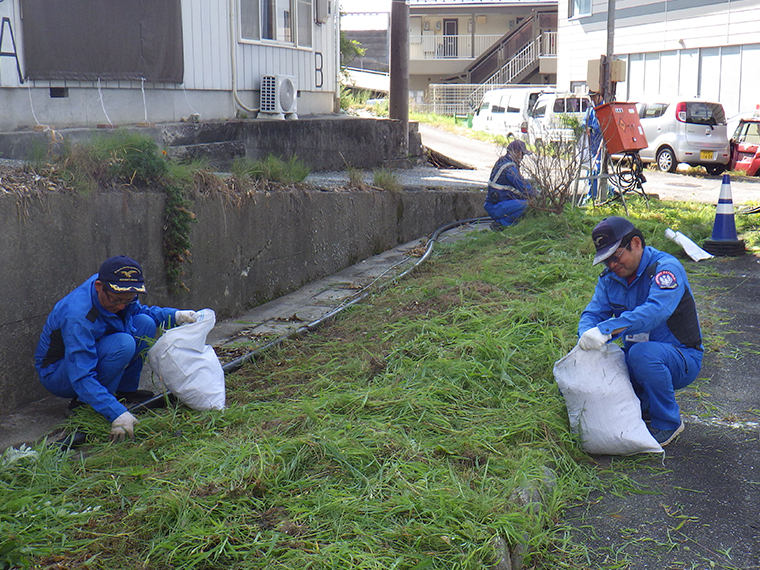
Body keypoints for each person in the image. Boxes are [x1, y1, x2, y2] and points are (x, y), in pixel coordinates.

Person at [35, 256, 198, 443]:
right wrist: (117, 413)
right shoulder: (78, 317)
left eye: (128, 300)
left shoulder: (117, 288)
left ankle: (124, 392)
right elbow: (80, 374)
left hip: (95, 350)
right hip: (60, 371)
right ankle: (84, 403)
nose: (121, 306)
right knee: (124, 344)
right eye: (116, 300)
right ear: (98, 287)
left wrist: (176, 316)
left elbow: (138, 312)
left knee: (145, 323)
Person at [577, 216, 703, 446]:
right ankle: (642, 409)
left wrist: (607, 330)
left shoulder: (665, 269)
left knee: (641, 355)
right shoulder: (610, 279)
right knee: (609, 359)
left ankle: (668, 422)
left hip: (682, 357)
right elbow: (593, 314)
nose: (612, 265)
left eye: (616, 256)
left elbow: (656, 311)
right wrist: (586, 337)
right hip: (640, 355)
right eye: (606, 261)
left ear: (636, 243)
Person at [483, 139, 536, 231]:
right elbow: (523, 187)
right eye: (522, 154)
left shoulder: (503, 161)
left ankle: (503, 221)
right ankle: (502, 224)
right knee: (528, 205)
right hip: (497, 206)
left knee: (523, 202)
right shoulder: (510, 169)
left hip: (493, 204)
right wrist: (537, 195)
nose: (522, 157)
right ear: (516, 152)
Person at [581, 92, 604, 200]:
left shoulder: (604, 107)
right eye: (591, 97)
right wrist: (587, 127)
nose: (592, 99)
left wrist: (595, 128)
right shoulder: (591, 109)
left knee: (599, 170)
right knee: (591, 171)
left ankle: (602, 194)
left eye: (594, 96)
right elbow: (584, 122)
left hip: (602, 146)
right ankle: (592, 196)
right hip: (593, 146)